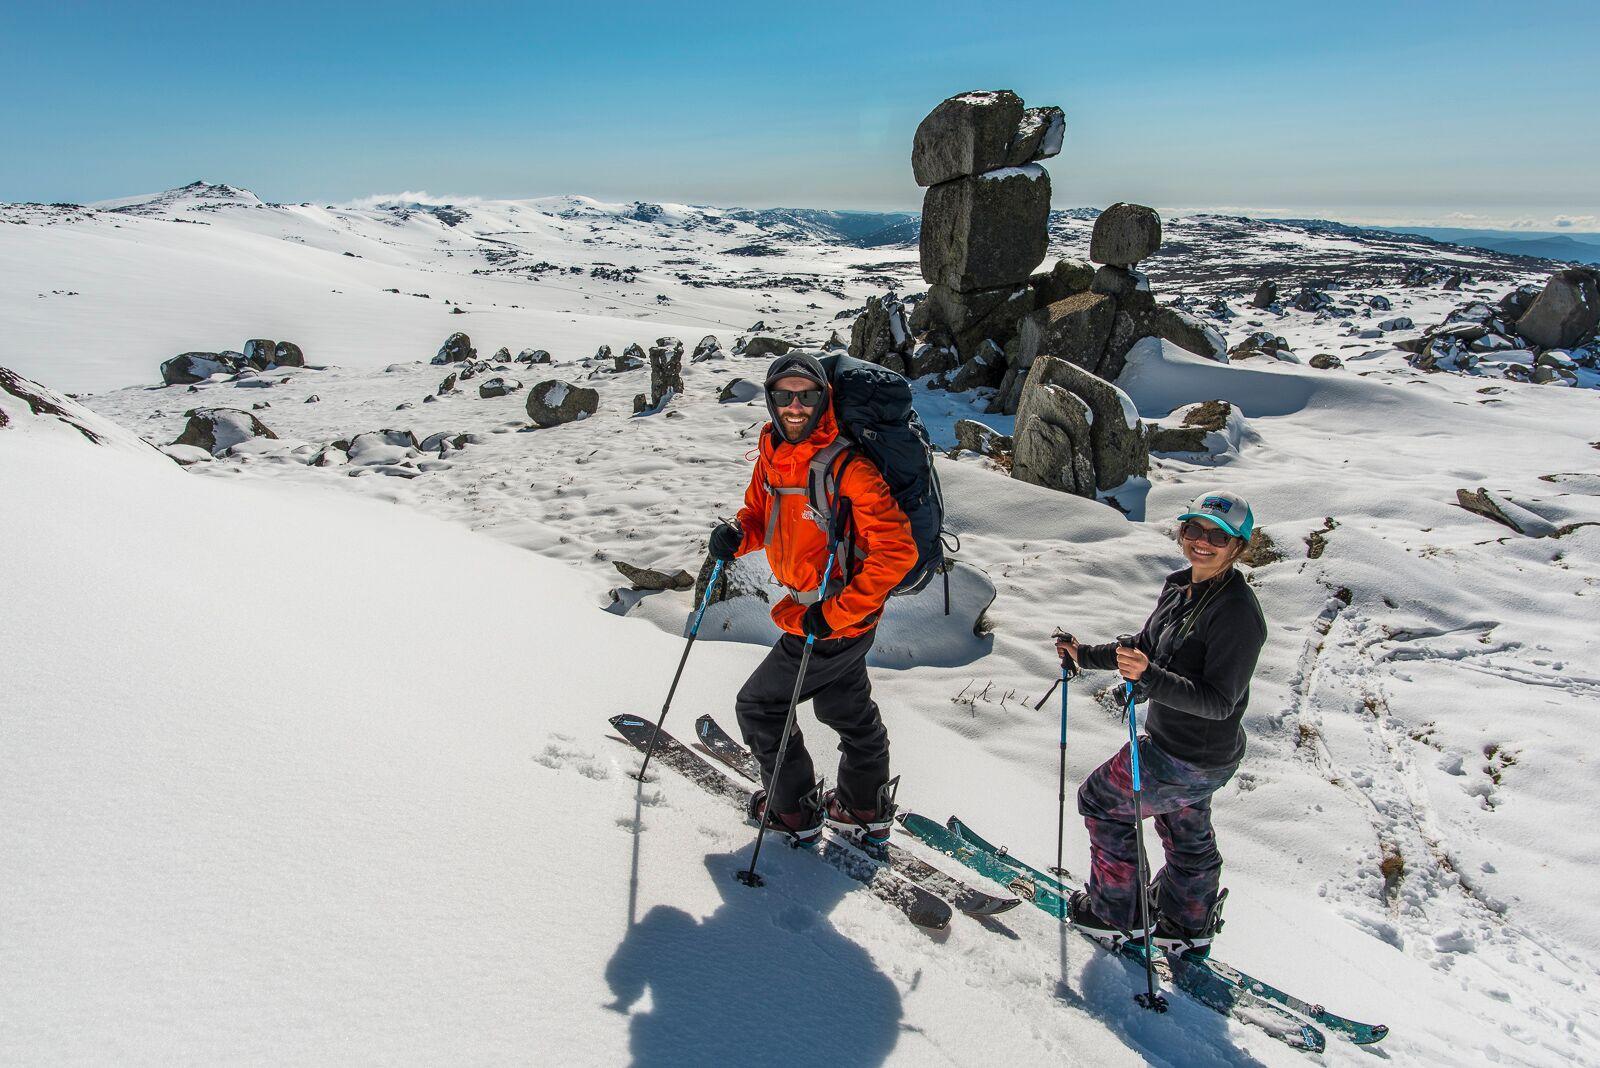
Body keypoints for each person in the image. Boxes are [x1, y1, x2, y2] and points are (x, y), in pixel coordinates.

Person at [708, 352, 917, 846]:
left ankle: (792, 811)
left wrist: (834, 613)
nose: (795, 405)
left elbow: (898, 550)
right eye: (785, 395)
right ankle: (862, 806)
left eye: (806, 395)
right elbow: (760, 515)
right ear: (772, 399)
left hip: (830, 617)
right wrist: (737, 536)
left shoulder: (848, 468)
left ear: (824, 399)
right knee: (845, 709)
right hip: (824, 614)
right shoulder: (773, 454)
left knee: (760, 707)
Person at [1056, 490, 1266, 958]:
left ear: (1238, 547)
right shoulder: (1181, 586)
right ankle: (1185, 922)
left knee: (1102, 801)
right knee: (1184, 832)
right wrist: (1085, 655)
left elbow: (1218, 701)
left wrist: (1150, 678)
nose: (1202, 542)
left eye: (1218, 535)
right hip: (1194, 753)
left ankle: (1115, 914)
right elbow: (1145, 647)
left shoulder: (1237, 614)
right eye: (1193, 529)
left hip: (1186, 755)